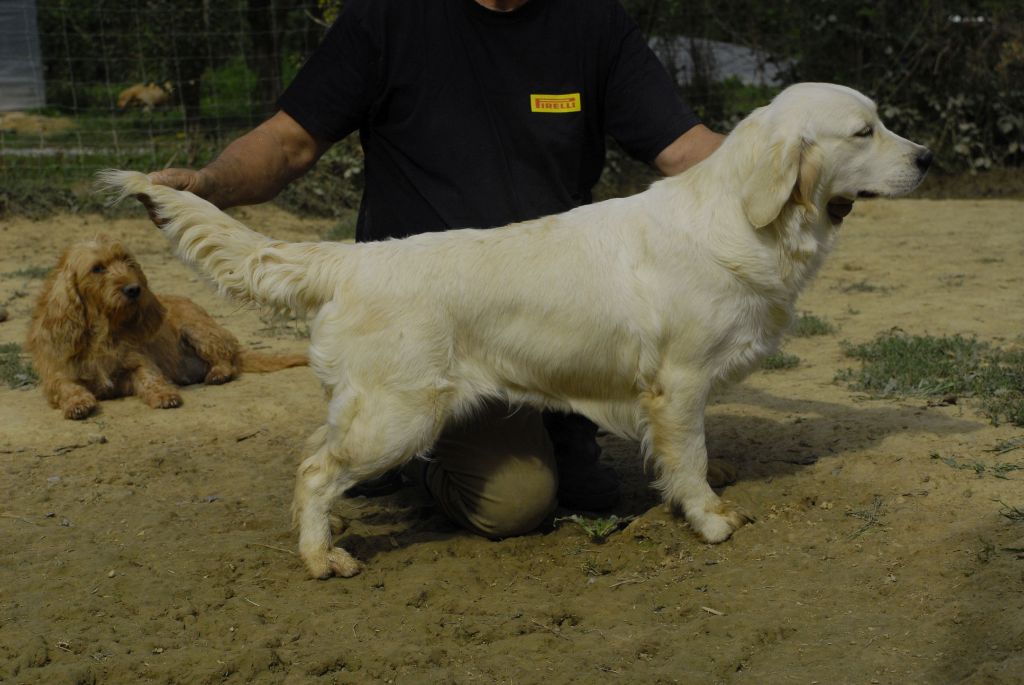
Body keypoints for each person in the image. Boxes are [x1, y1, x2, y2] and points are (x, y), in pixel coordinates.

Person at [146, 0, 849, 540]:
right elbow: (289, 141)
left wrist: (787, 171)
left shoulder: (589, 19)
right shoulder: (390, 14)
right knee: (519, 504)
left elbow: (685, 149)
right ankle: (412, 447)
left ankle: (516, 431)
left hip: (551, 309)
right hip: (426, 311)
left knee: (589, 490)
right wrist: (209, 185)